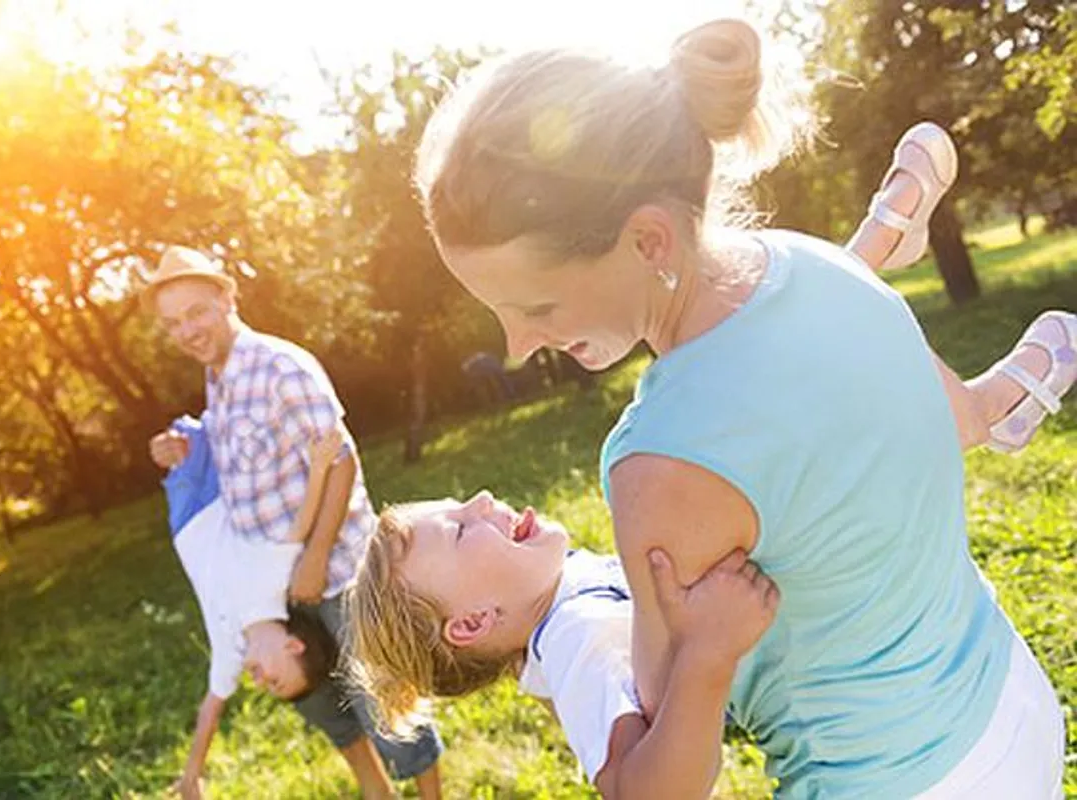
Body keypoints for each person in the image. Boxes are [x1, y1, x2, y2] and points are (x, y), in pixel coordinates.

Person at [411, 17, 1071, 798]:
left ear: (649, 241)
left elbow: (664, 734)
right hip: (1009, 700)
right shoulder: (818, 265)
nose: (519, 343)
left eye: (536, 304)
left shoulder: (657, 463)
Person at [142, 249, 444, 799]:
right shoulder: (219, 380)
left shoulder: (281, 366)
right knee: (326, 707)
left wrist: (313, 556)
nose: (188, 330)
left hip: (342, 573)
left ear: (228, 298)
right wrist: (178, 446)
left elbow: (341, 458)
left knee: (387, 701)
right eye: (173, 323)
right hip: (280, 589)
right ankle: (378, 794)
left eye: (198, 312)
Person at [349, 493, 777, 799]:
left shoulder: (558, 597)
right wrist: (708, 654)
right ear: (474, 621)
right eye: (460, 530)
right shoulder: (573, 639)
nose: (481, 499)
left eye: (460, 501)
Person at [162, 415, 341, 798]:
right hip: (218, 498)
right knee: (210, 427)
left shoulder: (232, 650)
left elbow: (211, 709)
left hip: (184, 518)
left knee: (182, 442)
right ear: (294, 645)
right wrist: (321, 465)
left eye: (265, 687)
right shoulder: (274, 587)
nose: (257, 682)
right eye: (274, 680)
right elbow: (300, 526)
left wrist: (192, 774)